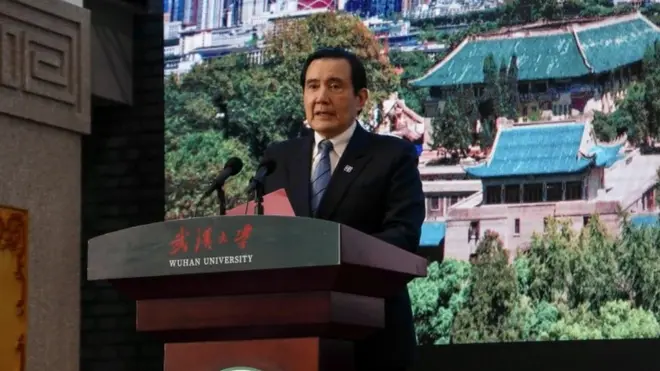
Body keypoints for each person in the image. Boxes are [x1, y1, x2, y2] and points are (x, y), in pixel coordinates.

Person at [262, 47, 425, 371]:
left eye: (334, 86)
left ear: (360, 98)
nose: (321, 97)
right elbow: (266, 233)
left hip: (373, 336)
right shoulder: (279, 158)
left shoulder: (392, 156)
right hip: (293, 336)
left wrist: (335, 250)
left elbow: (403, 236)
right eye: (312, 86)